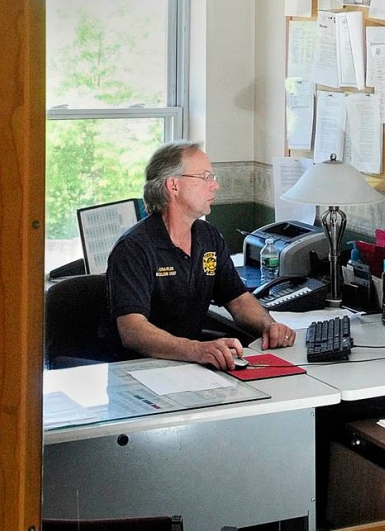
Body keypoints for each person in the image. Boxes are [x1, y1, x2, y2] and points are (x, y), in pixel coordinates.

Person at [101, 140, 296, 370]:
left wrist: (269, 326)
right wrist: (196, 349)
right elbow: (133, 331)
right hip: (138, 370)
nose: (215, 186)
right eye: (206, 177)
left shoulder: (208, 236)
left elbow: (239, 299)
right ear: (173, 185)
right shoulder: (133, 248)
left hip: (187, 366)